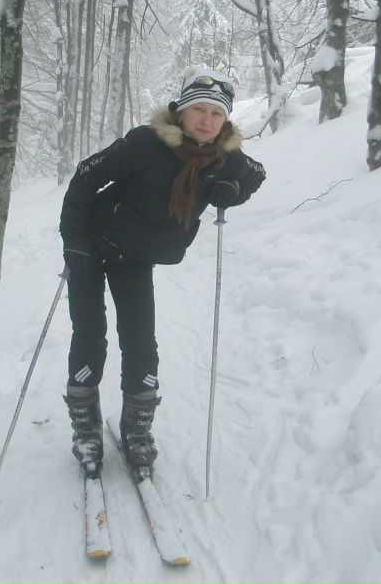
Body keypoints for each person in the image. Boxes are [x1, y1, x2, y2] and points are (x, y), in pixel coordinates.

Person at [58, 66, 266, 479]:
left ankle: (137, 429)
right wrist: (74, 239)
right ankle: (85, 429)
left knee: (140, 342)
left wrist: (233, 189)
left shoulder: (226, 156)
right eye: (199, 110)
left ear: (225, 120)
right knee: (89, 333)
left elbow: (256, 176)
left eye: (217, 113)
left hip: (136, 258)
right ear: (181, 112)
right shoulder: (145, 143)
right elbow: (84, 177)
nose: (207, 120)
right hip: (93, 245)